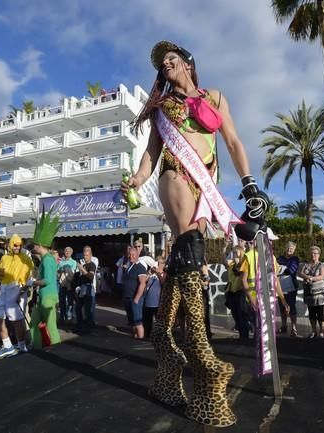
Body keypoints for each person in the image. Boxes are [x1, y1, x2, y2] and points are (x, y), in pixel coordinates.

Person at [121, 40, 269, 426]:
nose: (165, 64)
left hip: (208, 183)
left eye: (172, 59)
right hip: (175, 173)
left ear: (188, 63)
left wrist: (250, 185)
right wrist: (136, 181)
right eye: (161, 63)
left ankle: (164, 342)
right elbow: (151, 154)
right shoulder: (161, 108)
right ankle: (202, 353)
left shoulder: (215, 96)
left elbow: (234, 141)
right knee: (190, 247)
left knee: (187, 261)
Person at [0, 234, 34, 360]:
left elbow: (30, 276)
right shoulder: (4, 257)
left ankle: (21, 345)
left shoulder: (25, 258)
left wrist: (22, 291)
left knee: (16, 319)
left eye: (19, 245)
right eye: (15, 245)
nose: (17, 247)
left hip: (16, 288)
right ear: (10, 245)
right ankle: (8, 345)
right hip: (3, 288)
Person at [29, 210, 61, 349]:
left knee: (50, 326)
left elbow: (47, 280)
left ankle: (57, 349)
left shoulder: (48, 260)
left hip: (48, 297)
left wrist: (33, 282)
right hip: (44, 296)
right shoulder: (45, 259)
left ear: (40, 245)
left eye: (35, 244)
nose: (34, 246)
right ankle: (36, 347)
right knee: (34, 323)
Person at [298, 246, 324, 338]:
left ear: (318, 255)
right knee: (311, 313)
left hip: (319, 294)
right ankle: (314, 331)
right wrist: (306, 277)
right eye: (311, 253)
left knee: (320, 313)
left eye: (315, 253)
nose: (313, 255)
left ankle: (321, 331)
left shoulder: (321, 265)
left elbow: (322, 276)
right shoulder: (306, 265)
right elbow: (300, 273)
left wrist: (311, 278)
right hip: (309, 293)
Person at [122, 246, 147, 339]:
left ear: (137, 255)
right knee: (132, 321)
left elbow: (142, 284)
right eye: (129, 255)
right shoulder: (129, 266)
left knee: (138, 321)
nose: (131, 256)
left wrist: (136, 299)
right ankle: (134, 338)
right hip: (127, 298)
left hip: (135, 299)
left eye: (133, 255)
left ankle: (140, 340)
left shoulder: (140, 267)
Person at [225, 245, 250, 340]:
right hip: (232, 291)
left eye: (236, 251)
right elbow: (225, 263)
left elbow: (239, 272)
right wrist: (224, 252)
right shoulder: (231, 264)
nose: (235, 253)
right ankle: (241, 334)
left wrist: (237, 263)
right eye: (234, 252)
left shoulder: (244, 263)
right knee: (235, 314)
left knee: (242, 314)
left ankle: (245, 335)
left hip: (240, 292)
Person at [277, 241, 299, 337]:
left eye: (292, 248)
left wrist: (280, 269)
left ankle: (294, 328)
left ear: (294, 250)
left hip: (291, 288)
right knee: (282, 308)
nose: (289, 249)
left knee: (291, 308)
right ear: (285, 248)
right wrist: (281, 269)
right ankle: (284, 326)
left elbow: (290, 270)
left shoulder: (295, 259)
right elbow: (274, 268)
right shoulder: (279, 258)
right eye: (288, 247)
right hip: (280, 287)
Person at [73, 246, 97, 333]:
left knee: (88, 309)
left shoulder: (92, 265)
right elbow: (80, 277)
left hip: (88, 287)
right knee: (78, 307)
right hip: (82, 288)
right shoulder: (84, 265)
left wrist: (82, 269)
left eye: (87, 255)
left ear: (90, 255)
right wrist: (77, 286)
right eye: (84, 255)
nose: (85, 257)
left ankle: (89, 327)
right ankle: (80, 324)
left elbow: (90, 277)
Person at [143, 257, 165, 339]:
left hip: (158, 303)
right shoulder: (151, 274)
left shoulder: (164, 274)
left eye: (160, 263)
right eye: (157, 263)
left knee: (159, 321)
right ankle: (147, 334)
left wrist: (158, 273)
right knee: (147, 321)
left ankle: (159, 336)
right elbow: (144, 280)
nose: (158, 265)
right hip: (148, 301)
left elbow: (163, 282)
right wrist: (149, 273)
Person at [57, 246, 77, 321]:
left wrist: (66, 270)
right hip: (62, 284)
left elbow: (73, 272)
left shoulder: (74, 262)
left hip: (70, 283)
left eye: (69, 251)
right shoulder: (61, 262)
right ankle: (62, 317)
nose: (67, 252)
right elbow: (57, 271)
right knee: (61, 300)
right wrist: (60, 272)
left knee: (70, 300)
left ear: (71, 253)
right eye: (66, 251)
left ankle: (69, 316)